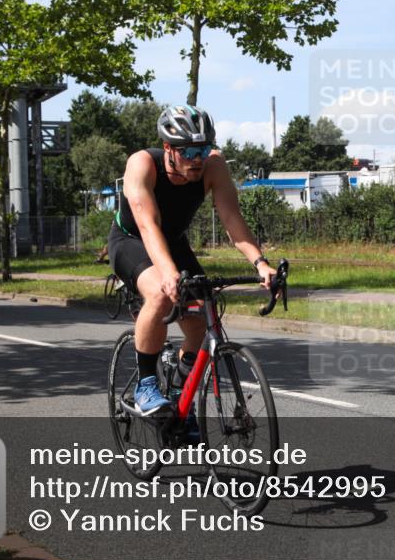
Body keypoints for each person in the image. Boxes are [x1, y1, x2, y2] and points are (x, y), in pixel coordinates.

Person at [108, 105, 276, 416]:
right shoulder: (142, 164)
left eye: (204, 148)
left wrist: (261, 263)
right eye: (189, 151)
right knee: (160, 292)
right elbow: (148, 225)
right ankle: (146, 386)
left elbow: (231, 218)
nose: (197, 158)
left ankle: (177, 397)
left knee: (201, 323)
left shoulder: (214, 166)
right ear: (169, 148)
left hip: (174, 243)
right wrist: (169, 274)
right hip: (131, 241)